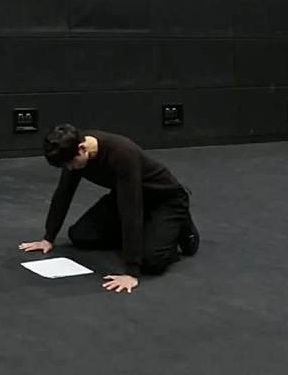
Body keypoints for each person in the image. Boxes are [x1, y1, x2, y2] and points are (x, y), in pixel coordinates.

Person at [19, 124, 200, 293]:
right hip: (127, 194)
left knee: (151, 261)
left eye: (71, 163)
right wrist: (48, 238)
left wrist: (131, 272)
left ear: (82, 148)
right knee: (81, 235)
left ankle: (181, 226)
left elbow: (131, 210)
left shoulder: (122, 153)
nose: (70, 168)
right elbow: (63, 193)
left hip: (165, 199)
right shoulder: (72, 151)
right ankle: (147, 230)